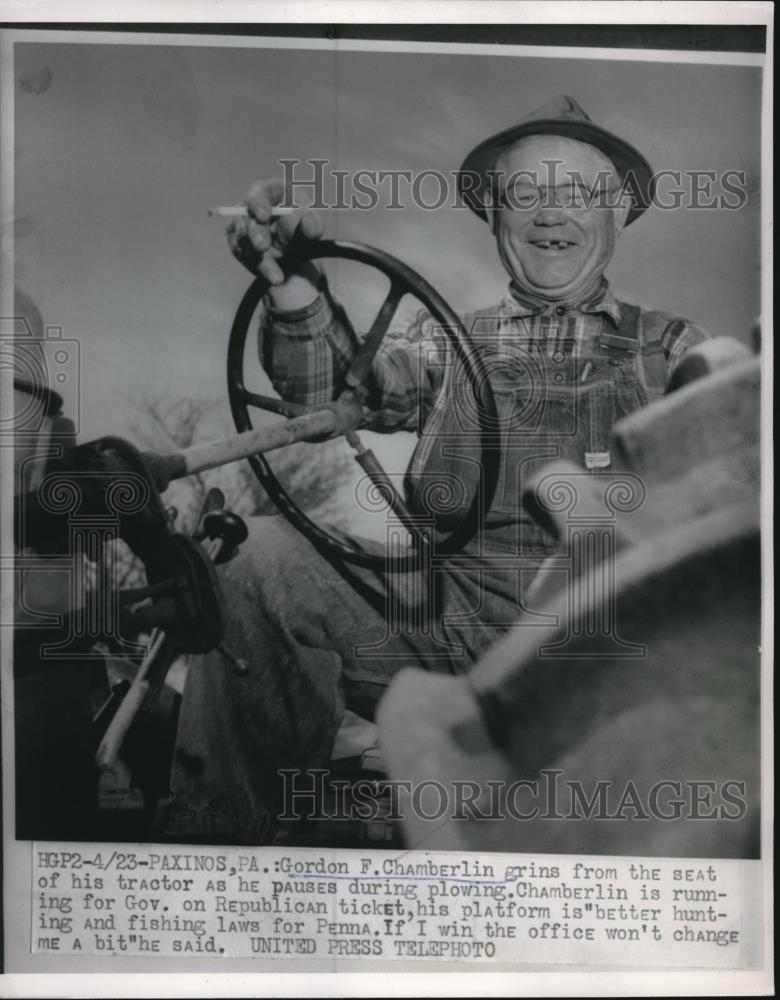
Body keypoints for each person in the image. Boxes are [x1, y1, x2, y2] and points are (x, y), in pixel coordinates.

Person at [164, 95, 711, 843]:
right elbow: (334, 391)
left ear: (616, 209)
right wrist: (291, 287)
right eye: (524, 193)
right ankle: (218, 846)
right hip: (445, 627)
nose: (549, 215)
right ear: (493, 214)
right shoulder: (447, 341)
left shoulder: (673, 349)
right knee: (252, 557)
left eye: (575, 193)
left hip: (604, 646)